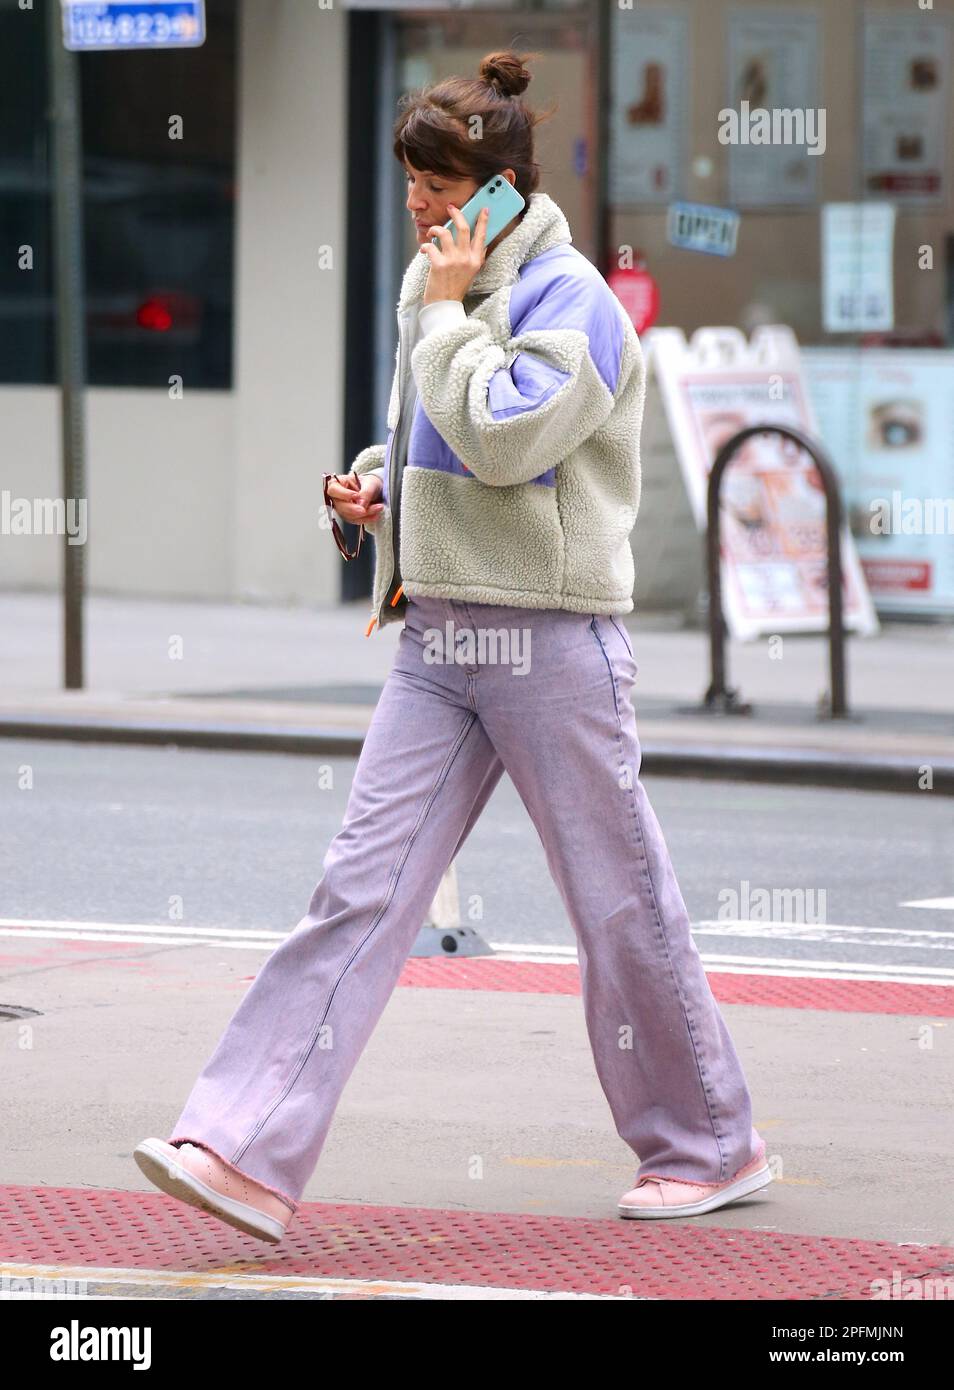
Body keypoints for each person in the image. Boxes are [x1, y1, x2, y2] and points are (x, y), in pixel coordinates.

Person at [134, 49, 771, 1245]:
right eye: (414, 183)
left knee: (620, 905)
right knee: (357, 892)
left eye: (439, 185)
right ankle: (240, 1146)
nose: (421, 207)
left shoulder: (570, 297)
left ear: (504, 185)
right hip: (437, 636)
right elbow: (432, 443)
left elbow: (502, 442)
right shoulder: (441, 288)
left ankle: (710, 1144)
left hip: (554, 641)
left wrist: (443, 315)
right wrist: (375, 487)